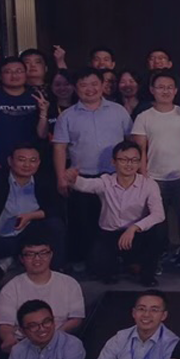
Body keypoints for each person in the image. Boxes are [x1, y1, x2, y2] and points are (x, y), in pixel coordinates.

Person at [53, 66, 134, 272]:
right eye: (84, 85)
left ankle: (116, 261)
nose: (90, 89)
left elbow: (131, 141)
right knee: (83, 222)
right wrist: (61, 177)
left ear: (102, 85)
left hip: (116, 177)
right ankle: (86, 262)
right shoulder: (67, 116)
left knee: (116, 222)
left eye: (94, 84)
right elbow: (60, 148)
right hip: (82, 178)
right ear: (75, 88)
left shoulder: (118, 111)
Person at [67, 140, 167, 286]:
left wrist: (134, 228)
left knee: (159, 230)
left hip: (136, 235)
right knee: (104, 274)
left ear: (140, 163)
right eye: (123, 160)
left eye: (134, 160)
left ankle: (147, 275)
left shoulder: (149, 184)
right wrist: (73, 179)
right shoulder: (105, 181)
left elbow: (158, 214)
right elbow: (86, 185)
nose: (129, 164)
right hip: (110, 234)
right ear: (113, 162)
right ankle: (124, 265)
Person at [0, 144, 65, 281]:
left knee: (55, 225)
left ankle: (56, 274)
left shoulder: (44, 181)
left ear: (39, 163)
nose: (27, 165)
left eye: (33, 160)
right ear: (10, 161)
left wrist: (31, 216)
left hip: (26, 236)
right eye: (22, 160)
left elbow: (57, 208)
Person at [129, 72, 180, 252]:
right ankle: (158, 257)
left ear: (175, 91)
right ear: (152, 90)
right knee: (157, 223)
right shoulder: (144, 117)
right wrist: (143, 176)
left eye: (169, 87)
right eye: (160, 87)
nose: (165, 91)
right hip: (154, 178)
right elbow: (140, 150)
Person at [0, 235, 85, 352]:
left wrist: (52, 338)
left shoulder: (69, 284)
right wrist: (9, 339)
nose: (37, 259)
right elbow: (5, 324)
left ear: (51, 255)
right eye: (30, 254)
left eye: (43, 253)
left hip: (60, 342)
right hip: (24, 344)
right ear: (21, 258)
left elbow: (76, 319)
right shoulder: (10, 289)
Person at [0, 58, 48, 175]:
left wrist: (44, 112)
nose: (14, 75)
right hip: (0, 161)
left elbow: (42, 134)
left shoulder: (36, 96)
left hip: (31, 163)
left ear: (26, 73)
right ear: (0, 75)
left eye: (19, 71)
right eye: (8, 72)